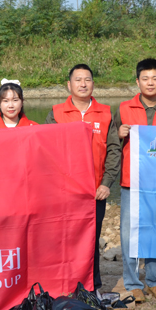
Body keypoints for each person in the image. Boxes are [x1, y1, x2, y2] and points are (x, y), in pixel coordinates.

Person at [45, 64, 121, 293]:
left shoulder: (106, 113)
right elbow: (48, 151)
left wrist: (106, 184)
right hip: (66, 193)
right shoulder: (56, 113)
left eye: (87, 79)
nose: (83, 84)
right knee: (66, 240)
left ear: (93, 84)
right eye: (78, 80)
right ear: (69, 85)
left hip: (95, 191)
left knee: (92, 240)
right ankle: (66, 286)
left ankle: (93, 287)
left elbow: (114, 150)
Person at [114, 58, 156, 303]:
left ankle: (155, 281)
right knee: (129, 234)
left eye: (155, 78)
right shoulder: (123, 108)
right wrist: (119, 134)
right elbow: (112, 143)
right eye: (145, 78)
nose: (150, 82)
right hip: (131, 182)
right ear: (137, 81)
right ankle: (133, 282)